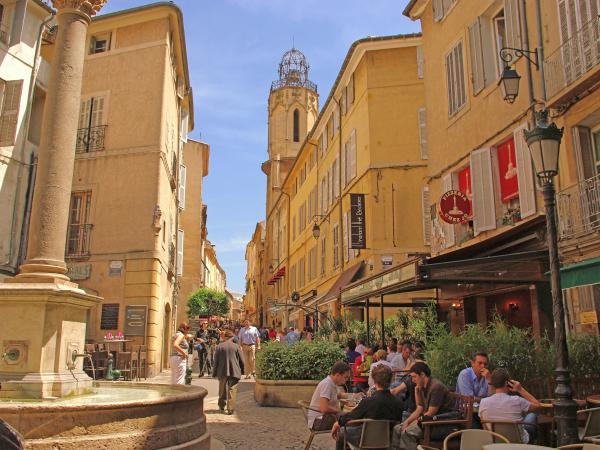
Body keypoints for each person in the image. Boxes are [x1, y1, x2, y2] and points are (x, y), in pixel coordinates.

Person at [331, 365, 404, 450]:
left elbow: (352, 416)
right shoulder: (399, 403)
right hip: (388, 440)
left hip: (365, 439)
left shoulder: (368, 401)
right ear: (391, 380)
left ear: (374, 380)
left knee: (342, 431)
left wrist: (338, 423)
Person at [392, 362, 456, 450]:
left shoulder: (436, 387)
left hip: (440, 424)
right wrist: (407, 422)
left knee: (407, 432)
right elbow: (420, 408)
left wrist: (411, 424)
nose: (412, 380)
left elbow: (430, 413)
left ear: (422, 374)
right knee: (397, 428)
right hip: (428, 421)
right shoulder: (422, 385)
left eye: (414, 376)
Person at [478, 368, 540, 443]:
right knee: (532, 415)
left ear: (493, 383)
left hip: (495, 442)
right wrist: (520, 389)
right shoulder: (517, 400)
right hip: (518, 442)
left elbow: (485, 427)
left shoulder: (483, 402)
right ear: (507, 383)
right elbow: (537, 405)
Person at [307, 361, 351, 430]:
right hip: (318, 421)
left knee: (349, 417)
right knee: (349, 419)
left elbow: (339, 395)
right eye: (345, 377)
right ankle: (344, 439)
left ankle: (343, 438)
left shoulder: (332, 383)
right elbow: (324, 408)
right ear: (337, 375)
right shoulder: (327, 384)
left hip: (324, 417)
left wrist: (354, 395)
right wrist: (339, 410)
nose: (347, 380)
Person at [212, 329, 245, 415]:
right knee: (232, 389)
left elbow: (216, 361)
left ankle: (221, 405)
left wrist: (214, 372)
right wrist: (242, 370)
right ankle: (230, 409)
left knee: (222, 389)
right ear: (232, 337)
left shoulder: (219, 346)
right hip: (234, 370)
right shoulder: (236, 346)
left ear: (225, 337)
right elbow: (242, 360)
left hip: (222, 371)